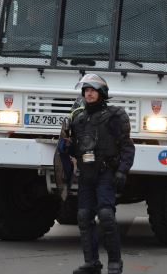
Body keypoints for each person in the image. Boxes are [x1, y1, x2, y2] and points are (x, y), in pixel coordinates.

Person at [62, 74, 135, 274]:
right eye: (86, 90)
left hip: (106, 173)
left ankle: (115, 262)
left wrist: (122, 171)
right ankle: (92, 262)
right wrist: (64, 142)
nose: (89, 93)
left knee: (106, 215)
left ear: (101, 93)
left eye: (93, 90)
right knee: (84, 217)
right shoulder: (78, 119)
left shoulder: (115, 116)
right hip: (86, 175)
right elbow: (73, 150)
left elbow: (128, 148)